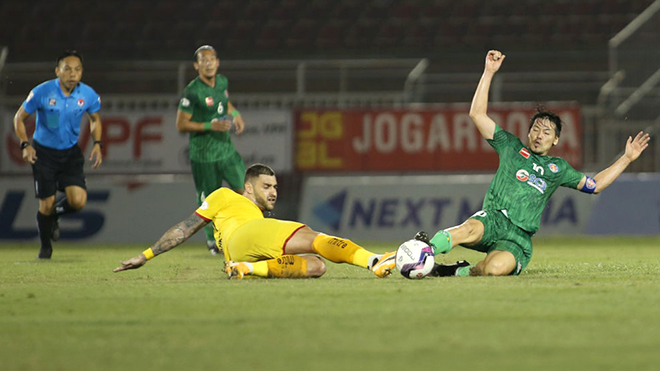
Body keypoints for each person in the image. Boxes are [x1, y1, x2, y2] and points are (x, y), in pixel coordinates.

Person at [415, 50, 651, 277]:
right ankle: (424, 251)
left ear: (556, 139)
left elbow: (595, 185)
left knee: (492, 270)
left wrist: (626, 158)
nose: (539, 135)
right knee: (468, 229)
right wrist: (488, 72)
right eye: (536, 129)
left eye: (547, 132)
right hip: (494, 219)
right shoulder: (510, 146)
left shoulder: (558, 169)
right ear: (528, 133)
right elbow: (477, 114)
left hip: (518, 238)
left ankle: (452, 271)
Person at [114, 163, 397, 279]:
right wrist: (146, 255)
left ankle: (246, 268)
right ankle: (373, 261)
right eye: (266, 186)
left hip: (240, 250)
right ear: (248, 188)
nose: (273, 192)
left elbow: (185, 229)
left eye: (275, 187)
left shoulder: (257, 216)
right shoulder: (225, 195)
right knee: (312, 236)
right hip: (245, 234)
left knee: (316, 265)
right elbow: (185, 228)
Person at [13, 50, 103, 259]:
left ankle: (54, 216)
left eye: (77, 69)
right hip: (44, 154)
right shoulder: (42, 92)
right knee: (46, 204)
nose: (73, 73)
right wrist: (25, 144)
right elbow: (19, 118)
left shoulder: (87, 94)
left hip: (70, 154)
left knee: (78, 201)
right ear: (57, 71)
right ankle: (45, 248)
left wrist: (97, 143)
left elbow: (95, 119)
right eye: (67, 69)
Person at [176, 45, 247, 256]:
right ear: (196, 65)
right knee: (209, 199)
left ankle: (251, 230)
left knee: (246, 189)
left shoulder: (222, 82)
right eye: (203, 60)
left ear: (218, 62)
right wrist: (210, 126)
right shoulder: (192, 91)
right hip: (203, 155)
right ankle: (212, 241)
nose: (208, 63)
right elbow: (181, 124)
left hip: (226, 150)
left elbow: (224, 104)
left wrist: (236, 114)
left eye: (211, 59)